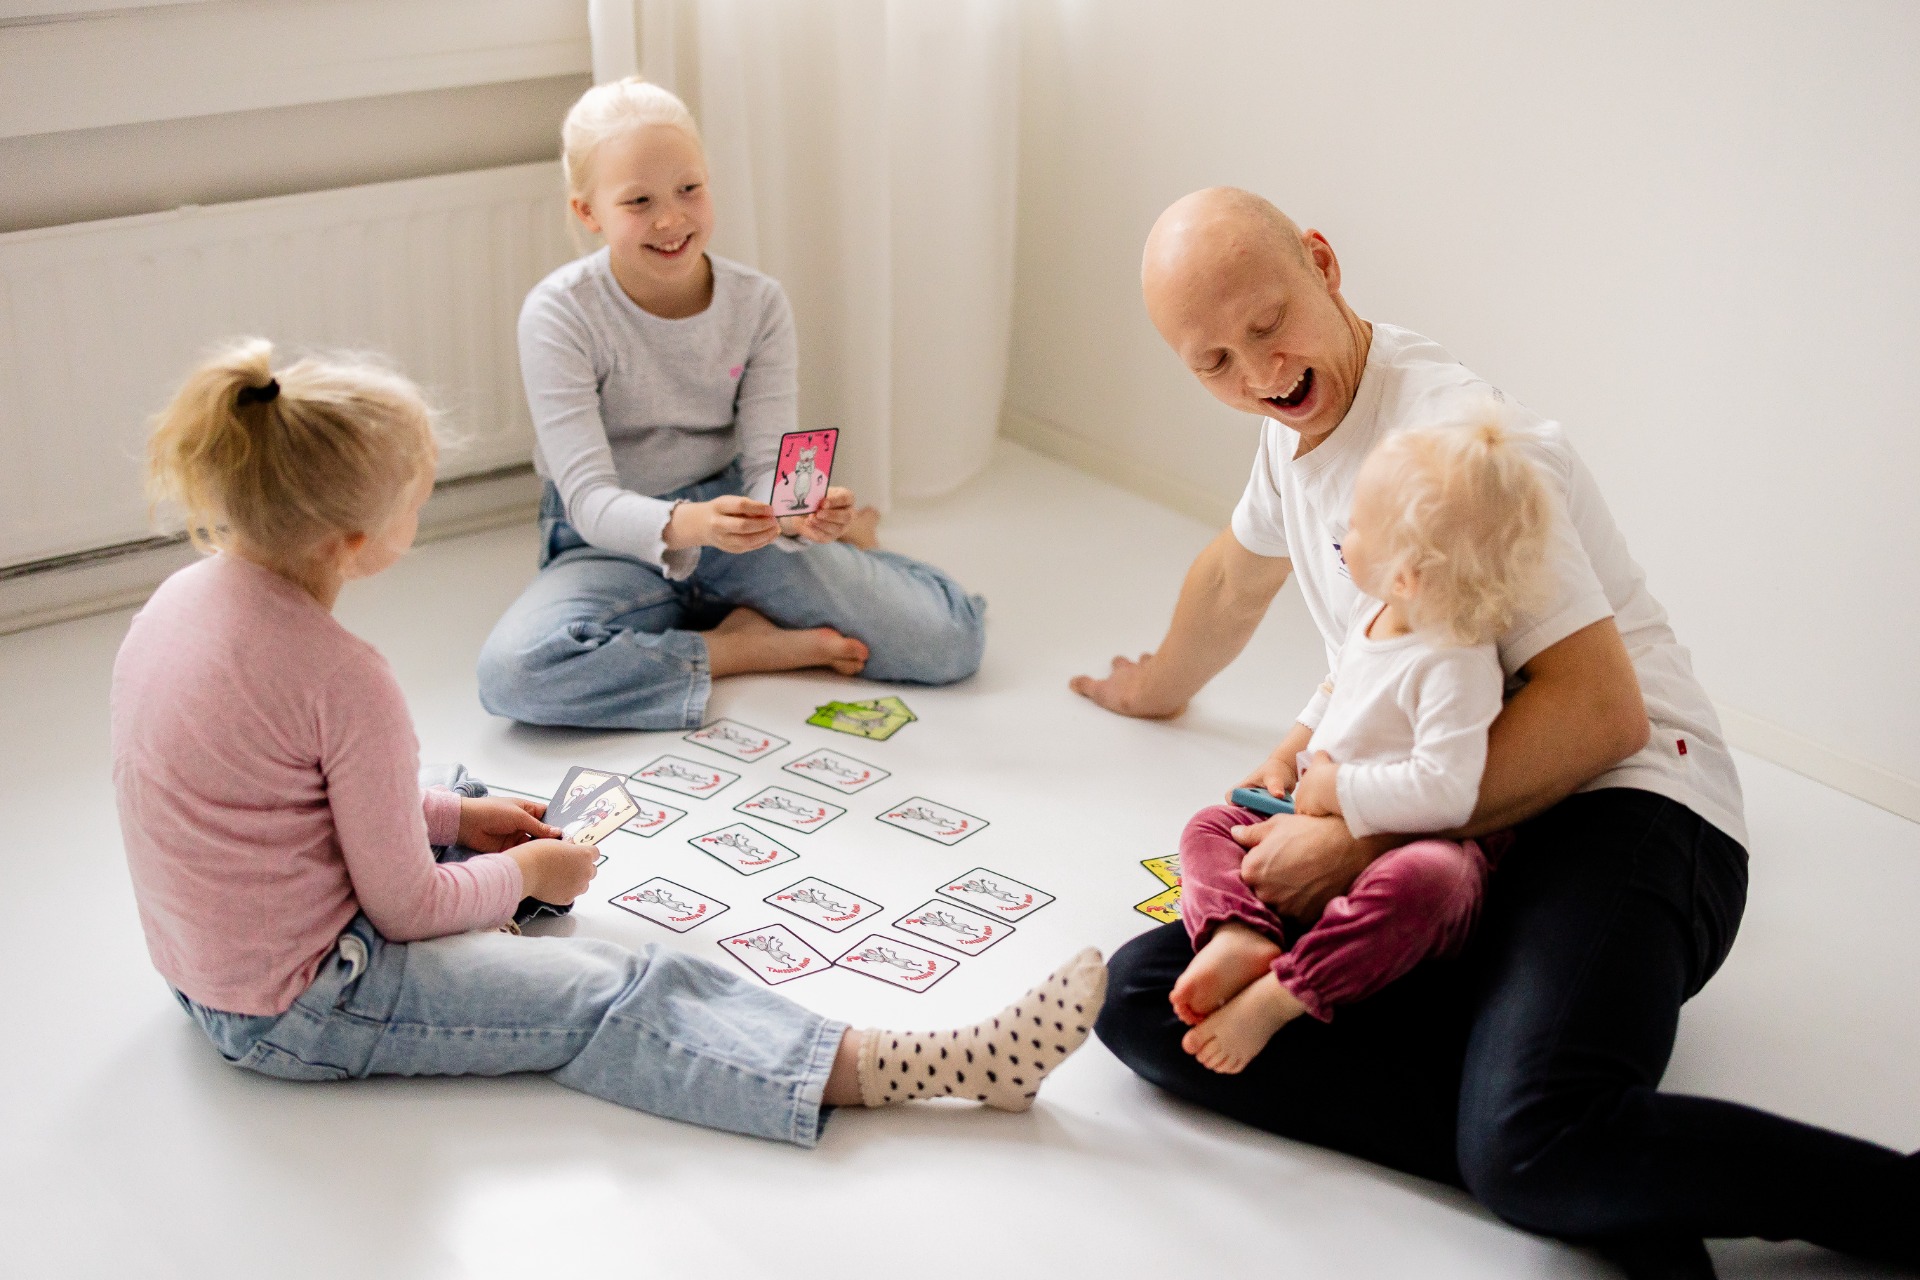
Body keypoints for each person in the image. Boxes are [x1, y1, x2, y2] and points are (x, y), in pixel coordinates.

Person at [1078, 188, 1916, 1275]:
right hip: (1459, 838)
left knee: (1526, 1137)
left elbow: (1600, 709)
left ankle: (1869, 1199)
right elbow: (1238, 573)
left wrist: (1354, 838)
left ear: (1324, 262)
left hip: (1626, 806)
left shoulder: (1454, 446)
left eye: (1268, 324)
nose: (1261, 373)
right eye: (1216, 362)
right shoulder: (1293, 432)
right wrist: (1157, 683)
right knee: (1144, 998)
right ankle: (1596, 1165)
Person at [112, 339, 1105, 1145]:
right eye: (418, 495)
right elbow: (404, 910)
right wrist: (523, 873)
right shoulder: (346, 677)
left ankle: (486, 862)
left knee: (449, 787)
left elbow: (288, 793)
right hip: (302, 1008)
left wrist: (453, 818)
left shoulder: (178, 599)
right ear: (354, 542)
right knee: (616, 985)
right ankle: (917, 1065)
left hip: (204, 969)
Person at [476, 78, 985, 730]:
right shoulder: (559, 313)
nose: (670, 219)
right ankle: (737, 647)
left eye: (689, 189)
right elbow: (589, 499)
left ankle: (839, 547)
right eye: (638, 201)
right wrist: (696, 526)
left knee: (951, 640)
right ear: (588, 212)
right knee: (514, 673)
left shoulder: (759, 302)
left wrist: (800, 513)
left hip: (739, 521)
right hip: (608, 542)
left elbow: (772, 467)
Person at [1175, 418, 1553, 1076]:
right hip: (1315, 820)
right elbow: (1339, 688)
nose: (1340, 533)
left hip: (1402, 850)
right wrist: (1289, 753)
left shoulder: (1455, 662)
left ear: (1407, 574)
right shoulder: (1372, 611)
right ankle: (1240, 933)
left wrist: (1338, 790)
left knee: (1432, 880)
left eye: (1358, 524)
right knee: (1209, 826)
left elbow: (1447, 789)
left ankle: (1287, 992)